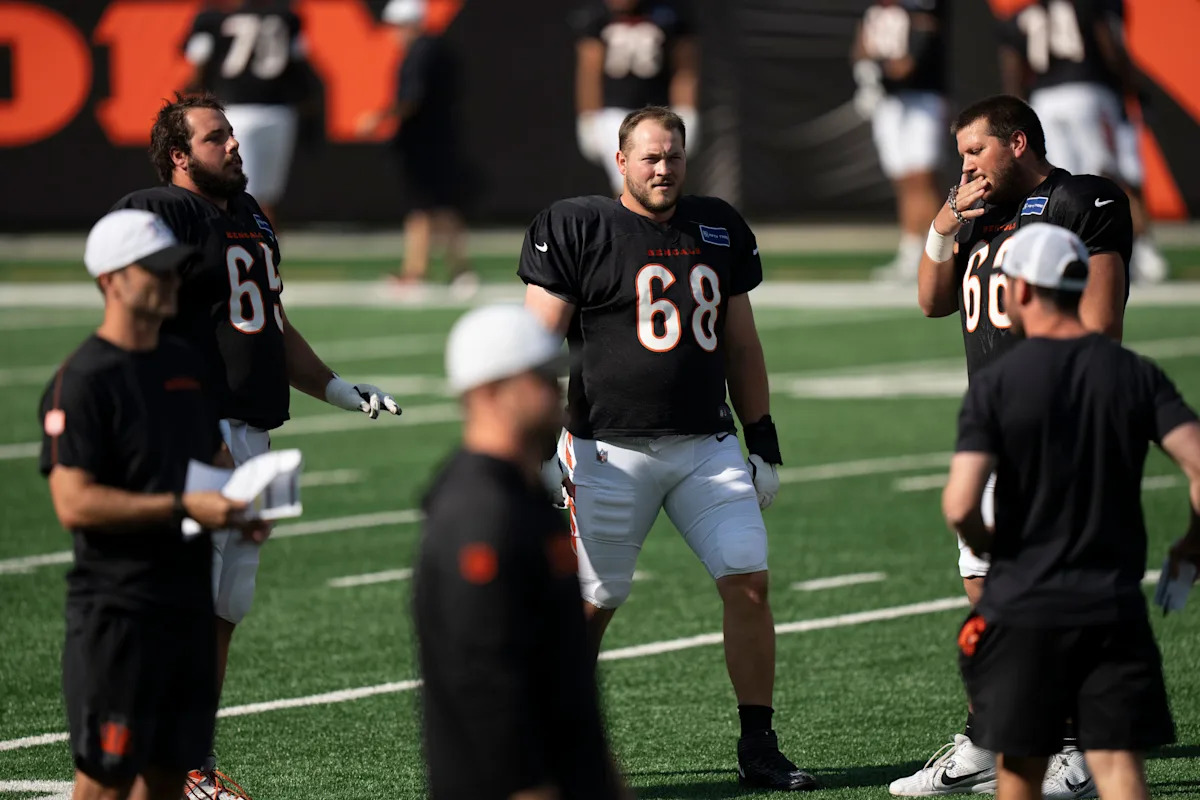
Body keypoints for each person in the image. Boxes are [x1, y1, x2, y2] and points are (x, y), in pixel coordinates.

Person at [109, 92, 401, 798]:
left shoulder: (250, 215)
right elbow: (137, 327)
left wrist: (336, 387)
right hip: (195, 435)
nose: (235, 145)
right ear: (179, 156)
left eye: (232, 133)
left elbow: (268, 322)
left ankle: (190, 761)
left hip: (251, 434)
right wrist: (189, 431)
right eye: (216, 138)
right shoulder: (162, 213)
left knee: (223, 610)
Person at [520, 106, 815, 792]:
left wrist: (762, 440)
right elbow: (533, 347)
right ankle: (550, 738)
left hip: (705, 445)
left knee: (748, 581)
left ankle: (759, 744)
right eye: (650, 157)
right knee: (593, 600)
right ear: (621, 161)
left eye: (674, 155)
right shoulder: (579, 225)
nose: (663, 168)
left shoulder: (717, 226)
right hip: (605, 450)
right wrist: (534, 445)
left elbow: (742, 344)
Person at [894, 94, 1132, 798]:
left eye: (976, 150)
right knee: (986, 589)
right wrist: (943, 223)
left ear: (1018, 142)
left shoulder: (1080, 200)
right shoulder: (977, 212)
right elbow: (932, 301)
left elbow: (1101, 324)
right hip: (992, 426)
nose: (966, 165)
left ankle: (1075, 748)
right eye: (961, 153)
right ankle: (988, 734)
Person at [944, 223, 1200, 800]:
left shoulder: (997, 383)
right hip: (1112, 606)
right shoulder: (1134, 373)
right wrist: (1191, 544)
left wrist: (990, 545)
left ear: (1021, 290)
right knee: (1118, 769)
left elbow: (959, 503)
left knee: (1020, 772)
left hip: (1025, 606)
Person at [38, 209, 270, 800]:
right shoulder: (84, 379)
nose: (172, 281)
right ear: (110, 281)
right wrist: (182, 506)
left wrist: (241, 506)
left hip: (186, 608)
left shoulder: (185, 367)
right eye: (156, 270)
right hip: (121, 614)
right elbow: (74, 503)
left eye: (175, 269)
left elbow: (213, 462)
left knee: (169, 780)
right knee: (105, 782)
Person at [414, 304, 625, 800]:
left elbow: (564, 679)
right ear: (489, 392)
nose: (556, 393)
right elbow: (483, 684)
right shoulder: (479, 511)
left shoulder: (523, 494)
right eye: (541, 379)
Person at [997, 0, 1167, 283]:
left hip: (1044, 101)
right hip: (1088, 92)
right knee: (1106, 177)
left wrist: (1018, 111)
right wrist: (1134, 88)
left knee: (1062, 181)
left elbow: (1013, 70)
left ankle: (1075, 252)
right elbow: (1110, 49)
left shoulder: (1022, 15)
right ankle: (1132, 248)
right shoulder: (1088, 6)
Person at [357, 0, 476, 290]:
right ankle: (452, 269)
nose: (393, 34)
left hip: (426, 142)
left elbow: (411, 99)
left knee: (425, 208)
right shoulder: (437, 50)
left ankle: (422, 271)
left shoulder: (421, 53)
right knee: (437, 207)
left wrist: (379, 118)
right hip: (437, 139)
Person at [183, 0, 314, 227]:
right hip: (279, 112)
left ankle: (238, 245)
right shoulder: (285, 17)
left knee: (236, 193)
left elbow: (199, 64)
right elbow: (299, 62)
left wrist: (196, 98)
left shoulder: (211, 19)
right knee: (266, 199)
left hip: (235, 112)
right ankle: (267, 247)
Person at [850, 0, 948, 280]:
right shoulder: (872, 11)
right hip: (890, 104)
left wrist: (876, 76)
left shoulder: (919, 9)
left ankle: (940, 254)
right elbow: (861, 47)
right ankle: (911, 251)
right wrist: (865, 74)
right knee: (903, 180)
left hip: (921, 99)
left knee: (922, 178)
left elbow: (907, 63)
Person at [571, 0, 699, 195]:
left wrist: (686, 110)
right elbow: (589, 70)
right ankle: (629, 216)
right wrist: (588, 116)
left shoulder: (668, 14)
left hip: (659, 110)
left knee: (663, 176)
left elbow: (684, 68)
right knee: (629, 182)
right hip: (614, 113)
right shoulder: (596, 16)